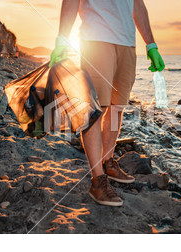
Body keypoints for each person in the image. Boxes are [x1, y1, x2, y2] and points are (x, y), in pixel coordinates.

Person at [49, 0, 165, 207]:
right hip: (96, 39)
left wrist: (151, 43)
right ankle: (97, 180)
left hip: (127, 43)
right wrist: (62, 37)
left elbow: (137, 4)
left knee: (117, 107)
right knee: (96, 109)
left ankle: (107, 161)